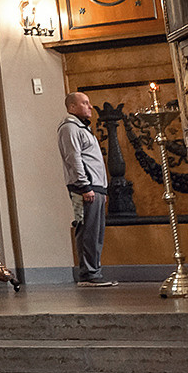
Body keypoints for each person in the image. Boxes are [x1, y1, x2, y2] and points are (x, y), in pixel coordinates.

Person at [60, 90, 113, 286]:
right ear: (72, 107)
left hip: (95, 187)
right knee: (87, 230)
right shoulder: (69, 128)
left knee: (96, 231)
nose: (90, 106)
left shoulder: (83, 128)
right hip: (84, 188)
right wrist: (84, 186)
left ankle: (94, 272)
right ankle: (88, 274)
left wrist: (102, 189)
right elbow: (74, 159)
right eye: (85, 103)